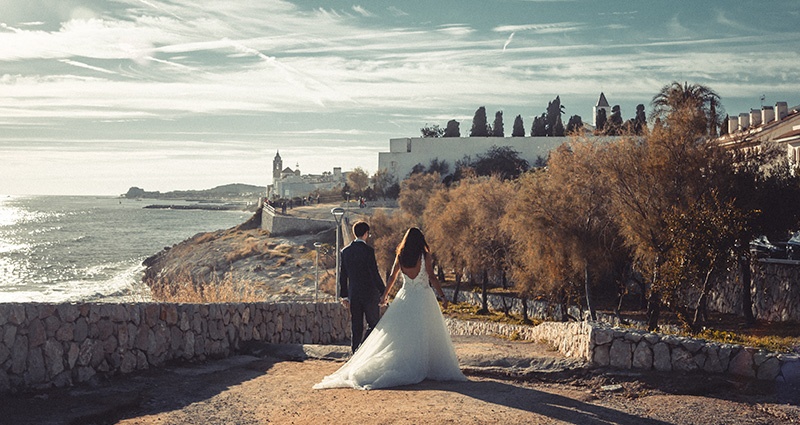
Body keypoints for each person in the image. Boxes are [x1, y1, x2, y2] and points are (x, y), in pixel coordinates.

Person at [314, 227, 466, 390]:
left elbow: (393, 276)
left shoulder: (401, 255)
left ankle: (404, 362)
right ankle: (424, 365)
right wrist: (442, 295)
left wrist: (385, 295)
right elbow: (432, 276)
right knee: (426, 330)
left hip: (406, 296)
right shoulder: (424, 255)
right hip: (423, 296)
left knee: (402, 332)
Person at [338, 221, 385, 353]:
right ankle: (362, 350)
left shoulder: (345, 252)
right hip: (370, 294)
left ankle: (355, 353)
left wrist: (344, 295)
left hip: (354, 294)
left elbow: (343, 276)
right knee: (374, 325)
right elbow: (374, 273)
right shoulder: (369, 251)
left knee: (356, 326)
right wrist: (383, 291)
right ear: (366, 234)